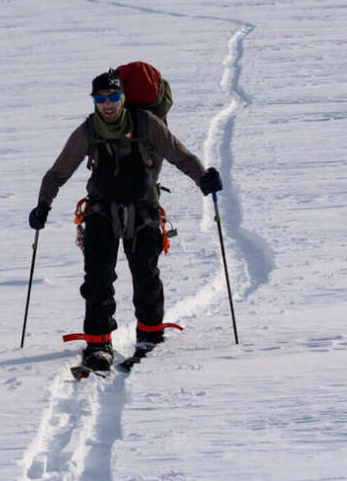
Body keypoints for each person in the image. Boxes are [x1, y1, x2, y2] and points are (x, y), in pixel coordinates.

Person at [28, 67, 223, 373]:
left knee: (145, 274)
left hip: (143, 208)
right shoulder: (88, 130)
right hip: (101, 211)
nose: (108, 104)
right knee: (97, 279)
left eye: (114, 97)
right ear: (94, 101)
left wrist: (204, 178)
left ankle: (150, 336)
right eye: (102, 98)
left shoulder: (146, 123)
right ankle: (98, 343)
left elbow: (178, 154)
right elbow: (58, 173)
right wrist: (43, 205)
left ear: (123, 97)